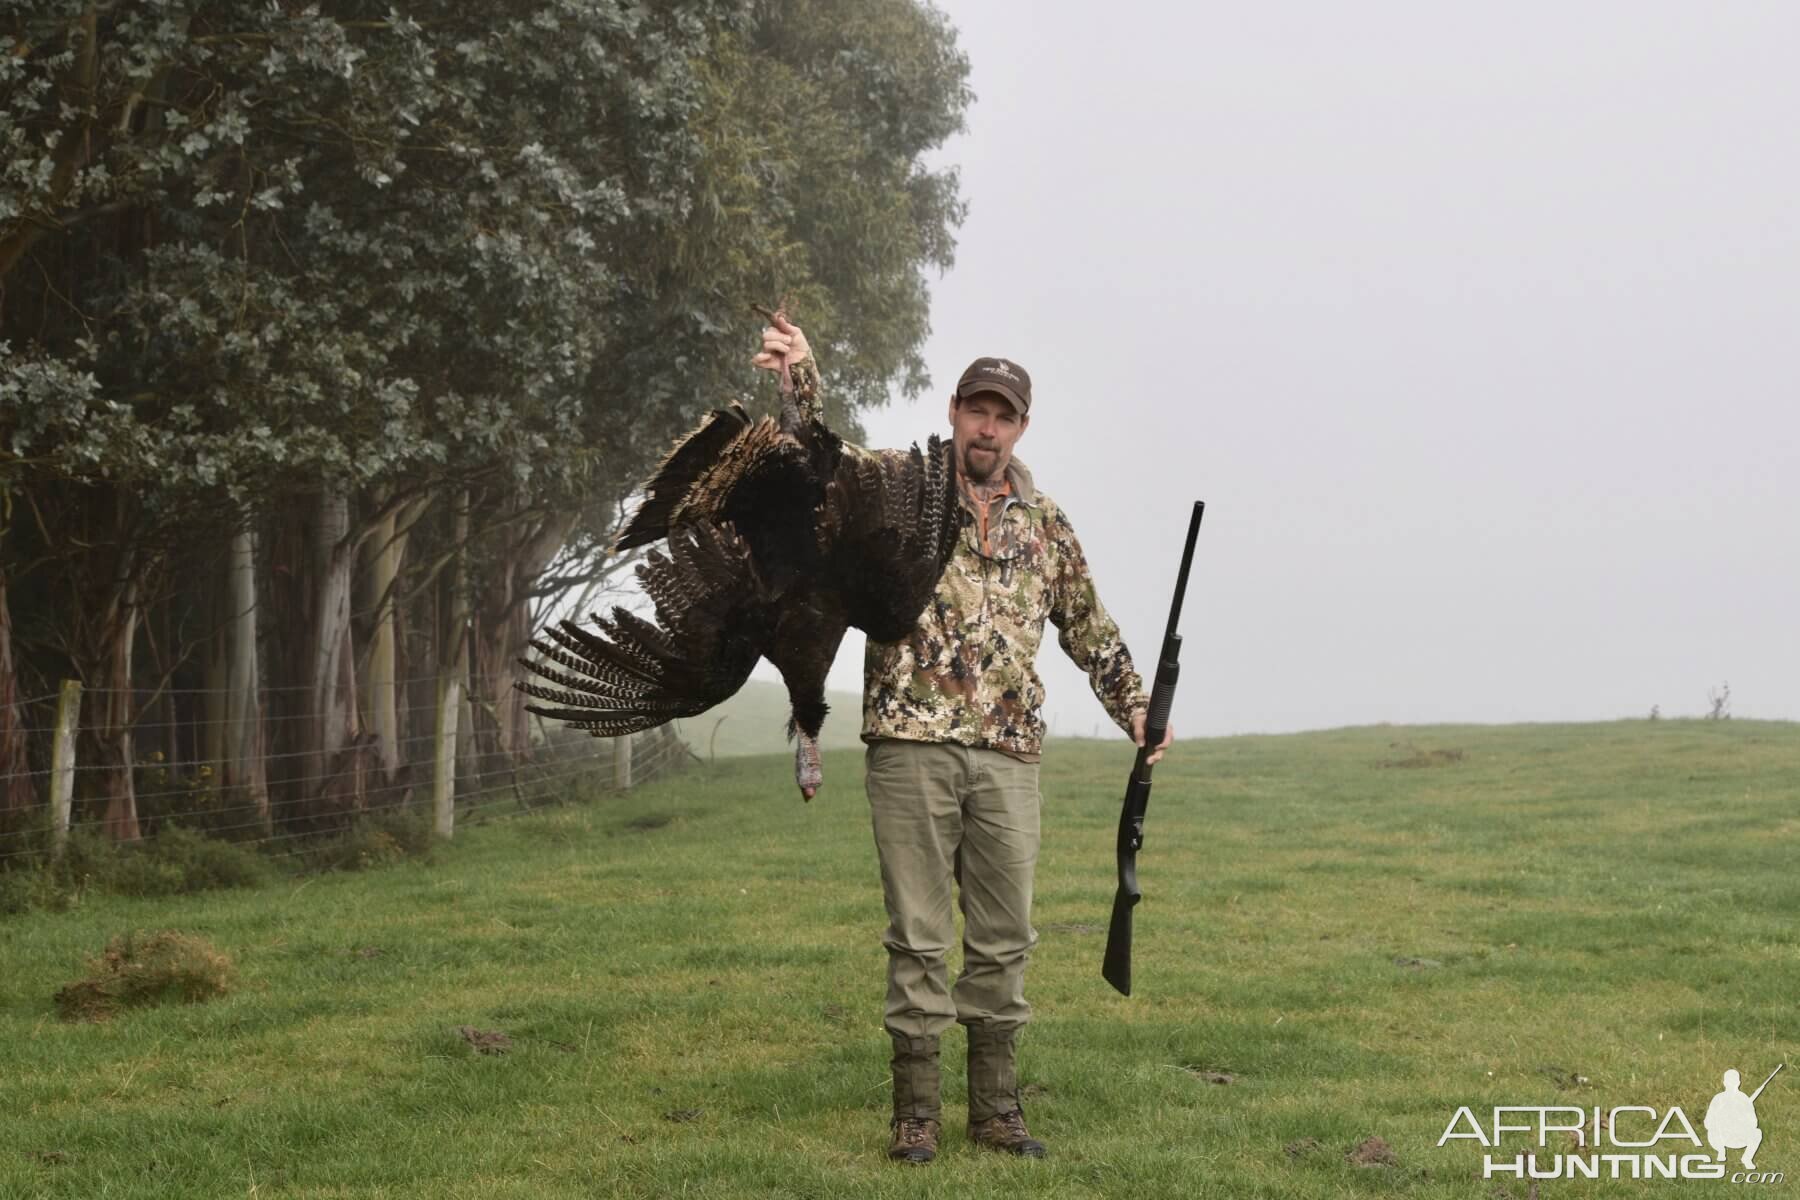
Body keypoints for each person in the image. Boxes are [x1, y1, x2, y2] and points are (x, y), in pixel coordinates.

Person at [753, 316, 1172, 1164]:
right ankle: (915, 1115)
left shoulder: (1045, 525)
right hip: (909, 743)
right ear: (952, 411)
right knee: (917, 933)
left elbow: (1087, 625)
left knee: (1005, 934)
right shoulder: (903, 491)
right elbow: (825, 465)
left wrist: (1136, 703)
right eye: (976, 410)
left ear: (1021, 427)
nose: (987, 427)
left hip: (1009, 755)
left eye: (1003, 415)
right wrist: (800, 378)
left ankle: (995, 1109)